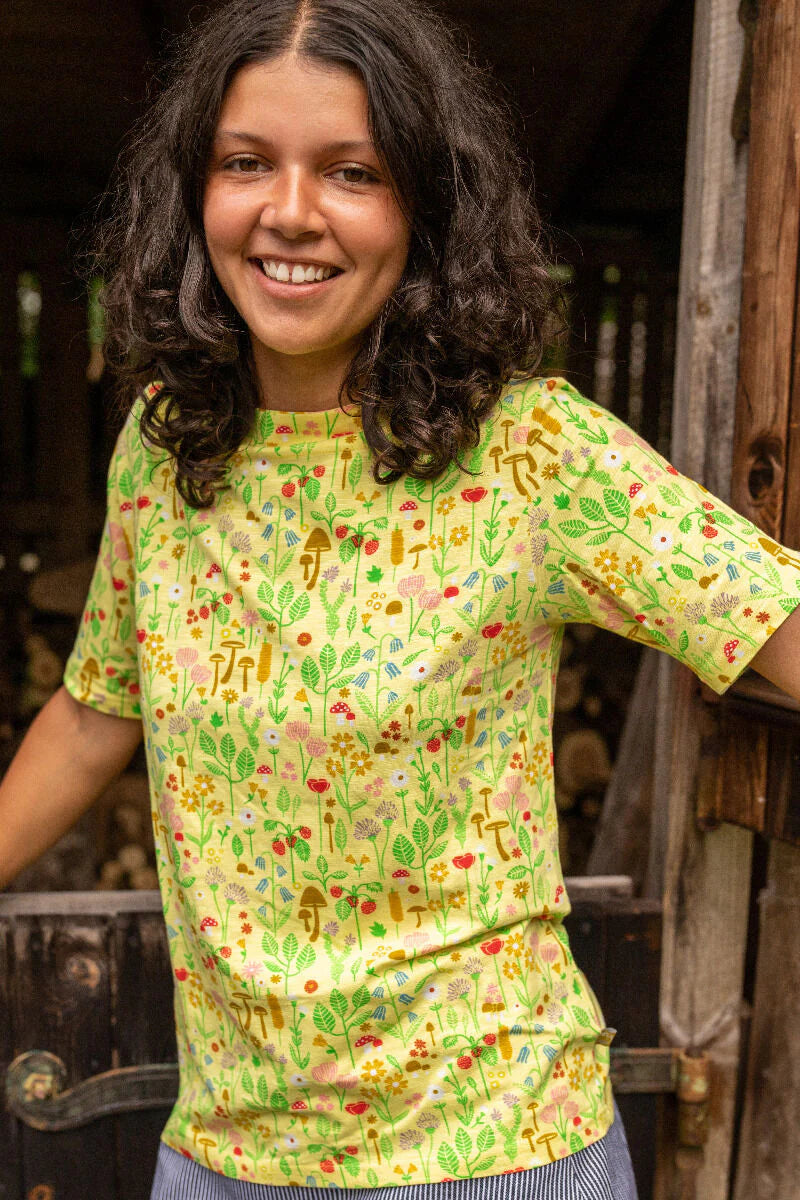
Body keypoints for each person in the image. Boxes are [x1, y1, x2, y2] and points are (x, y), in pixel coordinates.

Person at [2, 0, 800, 1197]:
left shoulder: (528, 455)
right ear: (192, 194)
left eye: (351, 172)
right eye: (244, 163)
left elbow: (767, 617)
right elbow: (92, 711)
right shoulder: (166, 452)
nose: (289, 211)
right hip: (222, 1157)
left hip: (490, 1152)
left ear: (424, 209)